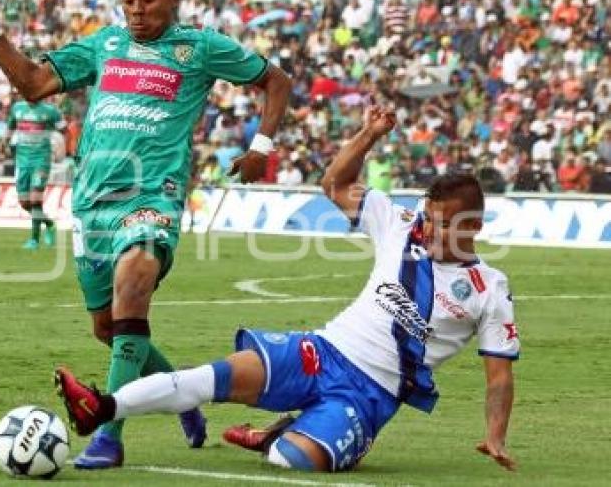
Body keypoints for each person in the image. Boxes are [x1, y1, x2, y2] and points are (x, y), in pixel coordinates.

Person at [55, 106, 520, 474]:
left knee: (293, 461)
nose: (428, 231)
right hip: (321, 350)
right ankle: (102, 407)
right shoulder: (400, 223)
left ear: (473, 225)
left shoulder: (489, 289)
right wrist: (369, 135)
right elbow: (334, 183)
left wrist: (495, 435)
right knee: (207, 379)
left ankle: (277, 436)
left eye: (440, 224)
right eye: (428, 218)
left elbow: (499, 377)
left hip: (369, 396)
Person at [0, 0, 291, 468]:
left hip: (152, 199)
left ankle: (108, 435)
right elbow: (30, 83)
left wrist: (263, 147)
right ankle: (180, 394)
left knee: (135, 282)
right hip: (93, 203)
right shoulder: (105, 44)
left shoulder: (198, 49)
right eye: (128, 0)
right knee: (108, 329)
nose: (137, 10)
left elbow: (277, 80)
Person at [6, 96, 64, 249]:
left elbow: (65, 130)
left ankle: (34, 240)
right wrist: (5, 145)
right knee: (24, 202)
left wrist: (62, 149)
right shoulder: (17, 108)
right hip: (22, 161)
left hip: (41, 160)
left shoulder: (51, 111)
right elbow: (10, 129)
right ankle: (49, 223)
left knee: (35, 200)